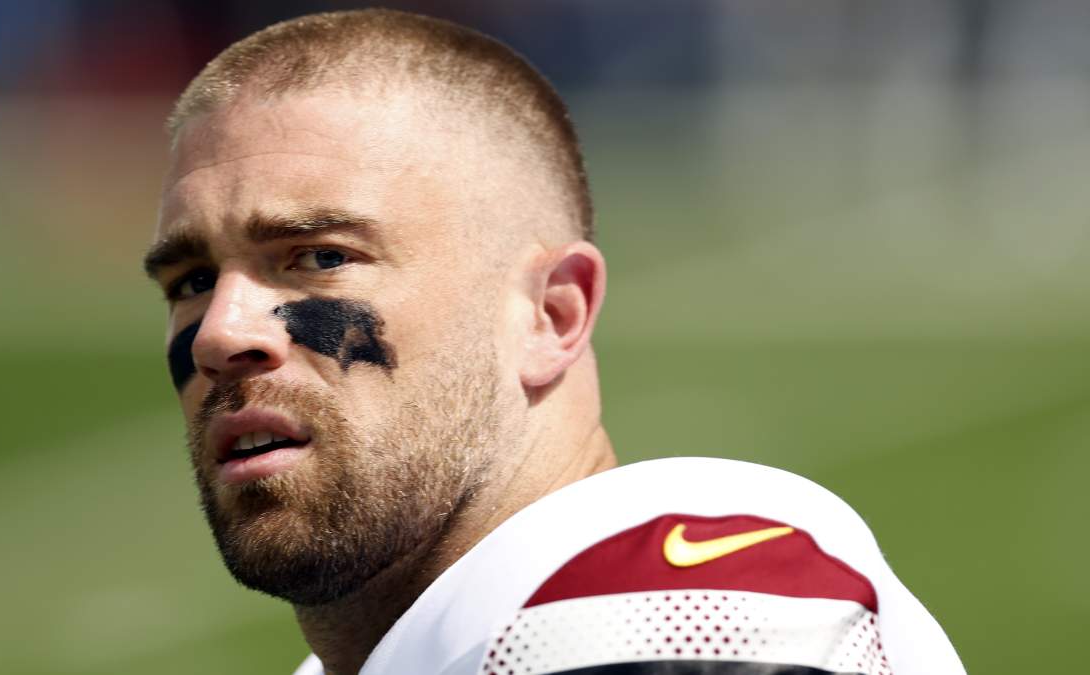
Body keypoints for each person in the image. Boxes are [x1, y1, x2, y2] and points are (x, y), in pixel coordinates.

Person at [142, 9, 965, 675]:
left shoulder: (675, 618)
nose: (220, 333)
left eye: (321, 258)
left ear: (552, 314)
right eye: (192, 280)